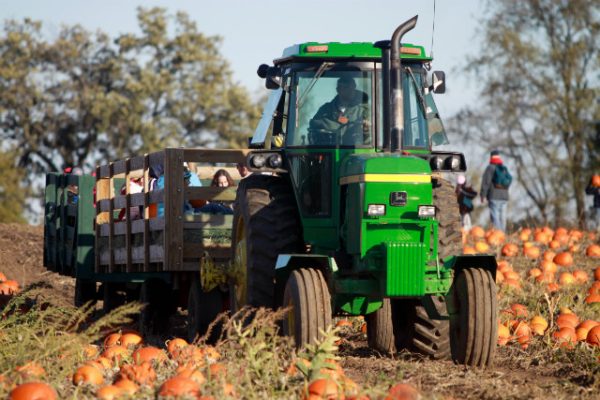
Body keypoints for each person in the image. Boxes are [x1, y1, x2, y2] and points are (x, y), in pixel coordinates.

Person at [308, 76, 371, 146]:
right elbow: (313, 131)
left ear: (354, 87)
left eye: (349, 87)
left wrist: (366, 131)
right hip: (329, 153)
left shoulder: (364, 111)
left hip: (356, 153)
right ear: (338, 90)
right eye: (343, 87)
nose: (348, 90)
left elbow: (372, 140)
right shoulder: (325, 110)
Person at [480, 150, 512, 232]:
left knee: (495, 217)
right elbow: (508, 181)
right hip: (504, 197)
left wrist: (482, 195)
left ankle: (498, 234)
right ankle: (503, 235)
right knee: (503, 217)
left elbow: (486, 182)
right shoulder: (504, 168)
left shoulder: (490, 168)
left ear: (491, 157)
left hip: (494, 196)